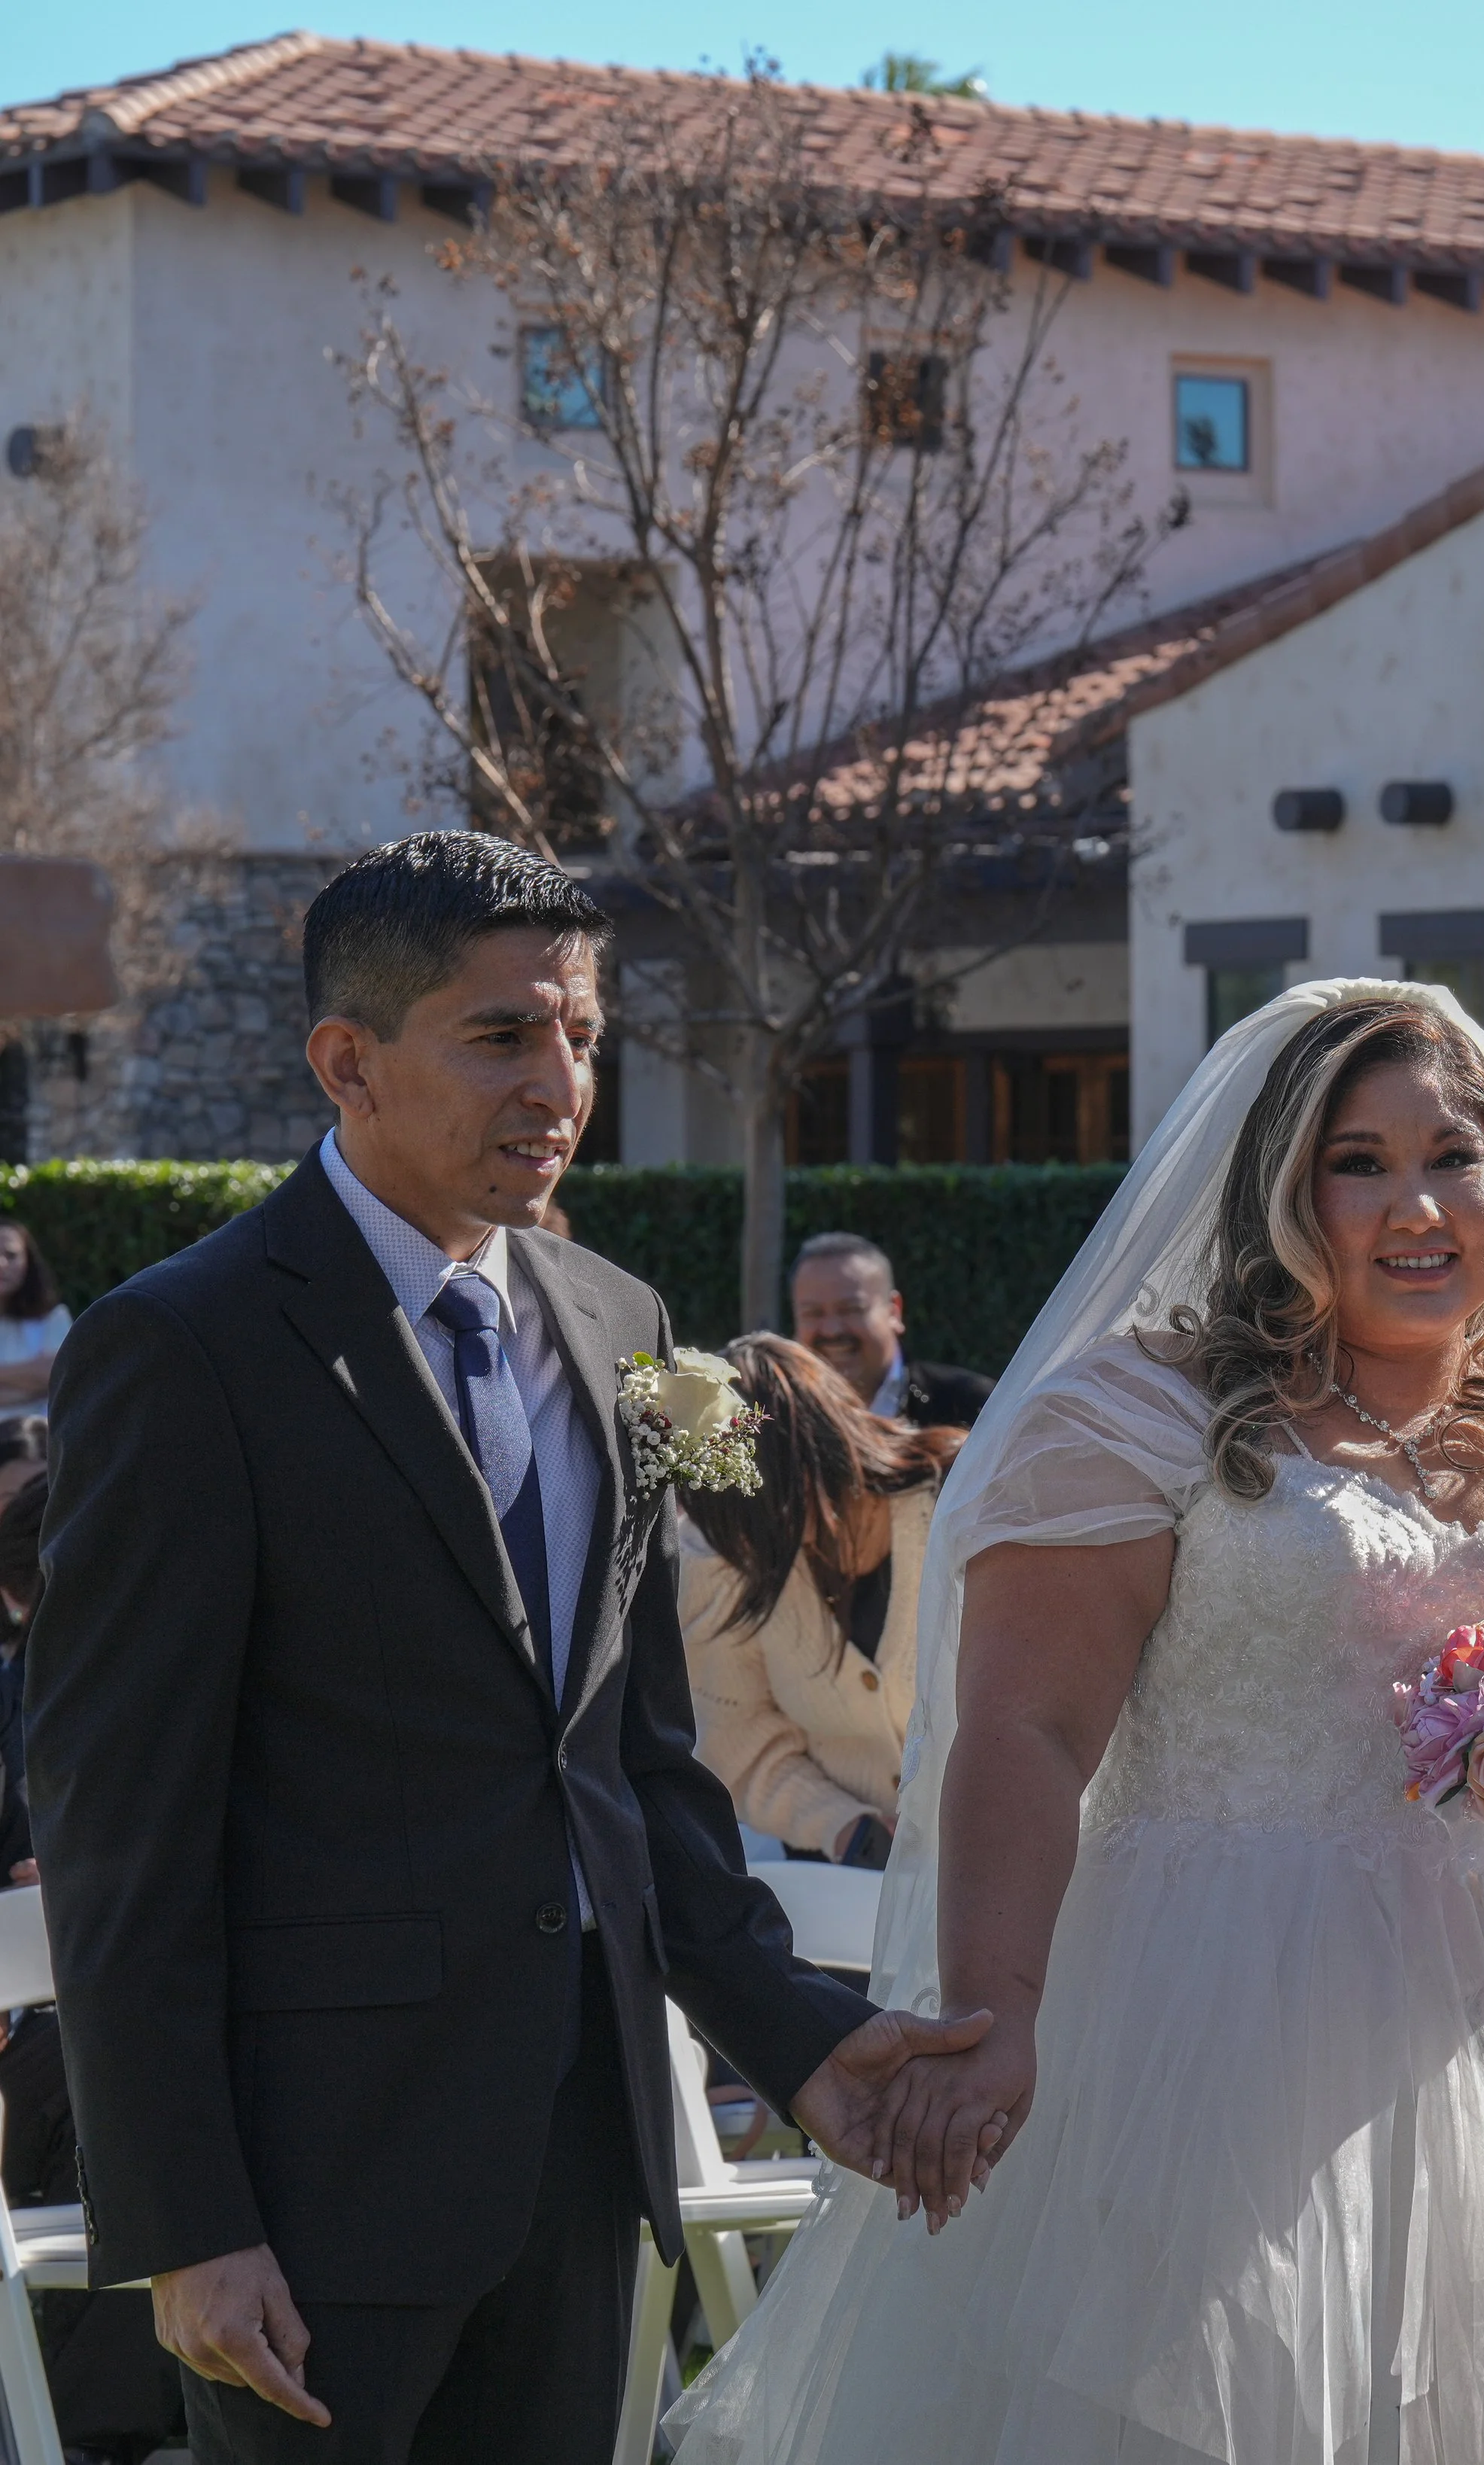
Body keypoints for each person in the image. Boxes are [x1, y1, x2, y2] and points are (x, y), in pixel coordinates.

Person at [669, 979, 1484, 2465]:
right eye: (1354, 1161)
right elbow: (1026, 1729)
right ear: (1276, 1194)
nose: (1413, 1200)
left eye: (1454, 1151)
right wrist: (999, 2013)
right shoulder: (1139, 1419)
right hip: (1209, 2023)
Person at [26, 830, 987, 2465]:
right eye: (500, 1034)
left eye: (582, 1036)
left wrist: (801, 2039)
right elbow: (117, 1827)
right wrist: (186, 2218)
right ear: (349, 1060)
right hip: (306, 2194)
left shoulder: (617, 1321)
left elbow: (628, 1763)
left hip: (576, 2154)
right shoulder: (179, 1348)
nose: (558, 1082)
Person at [0, 1468, 189, 2465]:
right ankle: (91, 2428)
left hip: (143, 1992)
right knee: (115, 2085)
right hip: (45, 2023)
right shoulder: (22, 1694)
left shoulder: (167, 1673)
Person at [679, 1335, 963, 1867]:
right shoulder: (721, 1556)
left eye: (764, 1513)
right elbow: (740, 1744)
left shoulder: (959, 1499)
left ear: (817, 1451)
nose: (754, 1545)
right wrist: (847, 1828)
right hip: (845, 1883)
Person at [789, 1233, 993, 1428]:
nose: (832, 1330)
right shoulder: (772, 1417)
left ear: (894, 1311)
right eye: (813, 1313)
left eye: (850, 1310)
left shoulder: (972, 1408)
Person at [0, 1218, 71, 1408]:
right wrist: (33, 1379)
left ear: (28, 1261)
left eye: (11, 1255)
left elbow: (60, 1376)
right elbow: (45, 1378)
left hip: (36, 1435)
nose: (2, 1264)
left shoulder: (54, 1318)